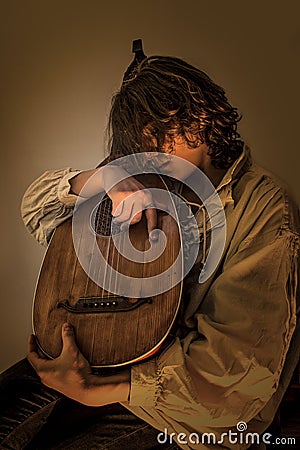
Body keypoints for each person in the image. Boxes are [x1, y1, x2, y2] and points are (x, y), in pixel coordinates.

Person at [0, 55, 299, 450]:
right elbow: (36, 208)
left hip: (176, 408)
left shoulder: (264, 208)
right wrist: (100, 178)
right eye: (141, 137)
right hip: (95, 355)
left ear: (204, 113)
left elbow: (232, 376)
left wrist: (96, 390)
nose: (150, 144)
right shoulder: (141, 178)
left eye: (162, 127)